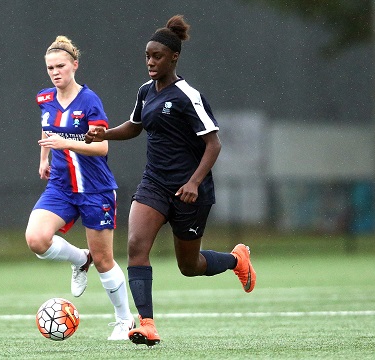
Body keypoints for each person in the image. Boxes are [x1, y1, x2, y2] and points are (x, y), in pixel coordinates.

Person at [85, 15, 256, 346]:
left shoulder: (187, 95)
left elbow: (214, 143)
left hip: (190, 190)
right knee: (136, 246)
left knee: (189, 266)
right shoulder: (145, 91)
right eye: (148, 55)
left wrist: (193, 182)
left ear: (174, 57)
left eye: (157, 56)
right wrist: (104, 134)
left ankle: (237, 260)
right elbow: (135, 126)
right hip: (155, 184)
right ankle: (147, 325)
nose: (150, 62)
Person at [25, 35, 134, 341]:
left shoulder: (89, 101)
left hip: (95, 188)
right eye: (50, 68)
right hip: (60, 186)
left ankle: (124, 321)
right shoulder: (44, 98)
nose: (55, 72)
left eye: (61, 66)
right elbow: (47, 127)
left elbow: (101, 148)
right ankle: (78, 258)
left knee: (104, 260)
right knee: (36, 239)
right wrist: (45, 157)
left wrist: (65, 143)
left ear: (74, 65)